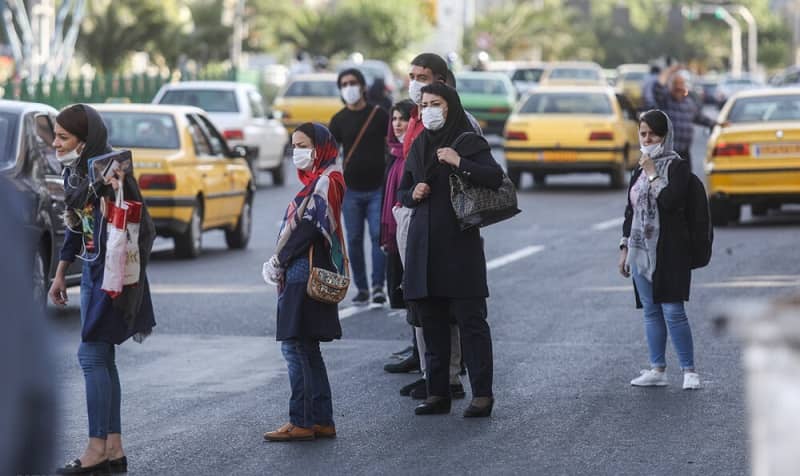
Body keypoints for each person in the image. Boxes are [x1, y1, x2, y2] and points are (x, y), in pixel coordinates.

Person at [48, 104, 156, 475]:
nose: (55, 143)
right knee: (102, 358)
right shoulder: (75, 172)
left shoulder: (114, 171)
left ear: (85, 138)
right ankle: (113, 448)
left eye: (63, 137)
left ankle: (96, 448)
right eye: (55, 136)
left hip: (114, 277)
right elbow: (75, 225)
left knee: (91, 356)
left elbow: (143, 227)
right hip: (92, 273)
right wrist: (61, 273)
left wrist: (124, 277)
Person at [397, 82, 503, 417]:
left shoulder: (467, 141)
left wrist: (459, 162)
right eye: (424, 105)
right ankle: (438, 393)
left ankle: (482, 395)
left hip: (459, 246)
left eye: (436, 104)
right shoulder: (419, 144)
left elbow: (494, 177)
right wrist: (413, 193)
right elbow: (402, 191)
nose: (429, 110)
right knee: (431, 322)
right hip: (424, 245)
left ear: (451, 106)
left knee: (471, 322)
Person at [263, 122, 345, 442]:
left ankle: (301, 421)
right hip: (305, 270)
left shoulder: (327, 180)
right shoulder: (320, 180)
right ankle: (322, 420)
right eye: (294, 146)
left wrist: (279, 259)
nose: (297, 152)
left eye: (304, 146)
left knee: (294, 346)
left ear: (320, 147)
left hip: (303, 271)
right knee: (308, 348)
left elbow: (309, 228)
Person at [618, 109, 701, 390]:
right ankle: (657, 370)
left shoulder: (677, 167)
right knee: (651, 311)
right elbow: (631, 211)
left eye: (653, 134)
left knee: (673, 310)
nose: (647, 139)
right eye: (643, 134)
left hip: (670, 250)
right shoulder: (638, 168)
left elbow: (671, 202)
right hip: (640, 250)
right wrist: (624, 247)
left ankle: (689, 371)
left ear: (665, 136)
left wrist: (653, 174)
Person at [329, 68, 390, 305]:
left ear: (363, 86)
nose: (349, 87)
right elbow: (330, 154)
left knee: (377, 236)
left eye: (353, 82)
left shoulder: (379, 115)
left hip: (377, 188)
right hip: (351, 191)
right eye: (344, 84)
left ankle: (378, 286)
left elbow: (392, 145)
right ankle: (362, 288)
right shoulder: (339, 119)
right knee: (353, 239)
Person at [648, 63, 722, 165]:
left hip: (684, 153)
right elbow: (659, 85)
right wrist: (671, 69)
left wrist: (718, 124)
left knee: (686, 175)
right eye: (675, 84)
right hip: (667, 154)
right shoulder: (665, 100)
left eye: (681, 84)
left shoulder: (688, 102)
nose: (678, 87)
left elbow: (700, 118)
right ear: (670, 86)